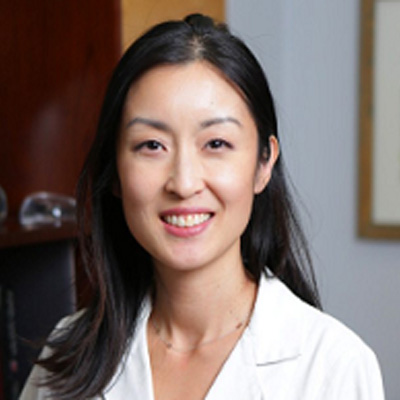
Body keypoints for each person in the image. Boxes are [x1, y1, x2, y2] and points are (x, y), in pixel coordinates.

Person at [20, 14, 384, 400]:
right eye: (152, 145)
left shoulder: (333, 368)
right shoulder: (68, 357)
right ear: (115, 173)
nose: (184, 183)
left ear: (264, 164)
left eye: (216, 144)